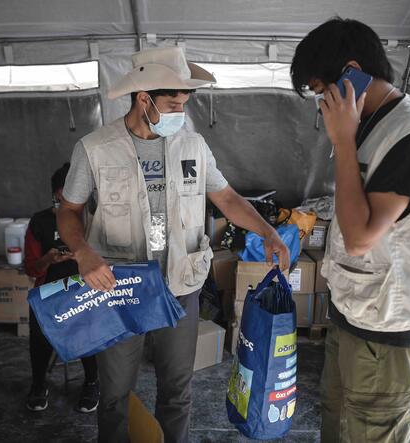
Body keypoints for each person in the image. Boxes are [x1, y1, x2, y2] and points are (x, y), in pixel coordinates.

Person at [57, 47, 290, 443]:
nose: (179, 114)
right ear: (143, 98)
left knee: (177, 392)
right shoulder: (94, 149)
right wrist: (83, 252)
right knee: (114, 395)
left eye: (183, 104)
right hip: (120, 289)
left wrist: (267, 232)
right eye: (172, 104)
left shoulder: (192, 146)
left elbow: (228, 198)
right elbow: (69, 210)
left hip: (180, 286)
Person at [291, 18, 410, 442]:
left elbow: (362, 237)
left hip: (389, 324)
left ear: (351, 74)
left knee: (371, 431)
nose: (322, 103)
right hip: (355, 310)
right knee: (336, 414)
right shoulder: (370, 124)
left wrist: (342, 142)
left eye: (321, 91)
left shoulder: (409, 133)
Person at [24, 162, 99, 413]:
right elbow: (31, 268)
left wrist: (83, 257)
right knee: (39, 328)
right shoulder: (40, 222)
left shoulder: (93, 221)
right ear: (56, 194)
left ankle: (92, 382)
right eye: (62, 194)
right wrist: (48, 258)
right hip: (50, 291)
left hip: (85, 288)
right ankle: (38, 384)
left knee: (90, 327)